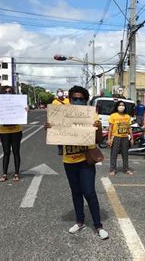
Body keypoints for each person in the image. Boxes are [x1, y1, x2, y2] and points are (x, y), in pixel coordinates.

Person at [44, 85, 109, 239]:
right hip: (69, 161)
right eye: (75, 99)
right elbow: (56, 136)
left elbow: (99, 140)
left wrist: (98, 128)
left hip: (85, 161)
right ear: (70, 99)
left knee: (89, 192)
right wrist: (49, 128)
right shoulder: (61, 115)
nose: (78, 101)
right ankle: (79, 221)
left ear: (86, 101)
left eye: (81, 99)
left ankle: (98, 225)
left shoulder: (92, 116)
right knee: (76, 192)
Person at [0, 86, 25, 182]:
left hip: (16, 130)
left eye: (10, 91)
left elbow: (23, 111)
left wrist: (26, 109)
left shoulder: (17, 103)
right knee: (6, 152)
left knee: (16, 152)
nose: (7, 93)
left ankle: (16, 173)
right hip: (4, 131)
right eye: (5, 91)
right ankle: (4, 173)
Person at [107, 100, 134, 176]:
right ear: (117, 106)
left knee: (125, 154)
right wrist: (109, 139)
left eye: (123, 105)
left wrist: (132, 138)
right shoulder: (113, 116)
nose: (121, 107)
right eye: (120, 105)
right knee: (114, 154)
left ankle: (126, 169)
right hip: (116, 137)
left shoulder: (127, 116)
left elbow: (129, 128)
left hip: (125, 137)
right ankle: (112, 169)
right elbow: (110, 128)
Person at [52, 88, 70, 155]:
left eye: (61, 92)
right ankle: (60, 149)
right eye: (58, 92)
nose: (60, 93)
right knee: (59, 135)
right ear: (57, 94)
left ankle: (67, 148)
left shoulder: (68, 100)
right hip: (58, 121)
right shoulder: (54, 102)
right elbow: (52, 111)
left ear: (63, 93)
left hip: (66, 120)